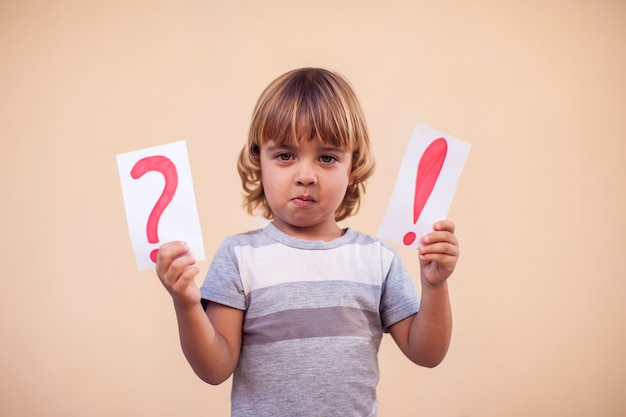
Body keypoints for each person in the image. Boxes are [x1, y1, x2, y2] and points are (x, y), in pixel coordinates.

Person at [155, 67, 459, 416]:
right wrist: (186, 305)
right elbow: (214, 369)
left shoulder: (377, 260)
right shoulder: (239, 257)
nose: (305, 176)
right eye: (285, 155)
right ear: (259, 160)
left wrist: (435, 285)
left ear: (353, 166)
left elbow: (428, 354)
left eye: (327, 157)